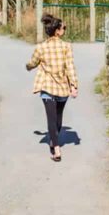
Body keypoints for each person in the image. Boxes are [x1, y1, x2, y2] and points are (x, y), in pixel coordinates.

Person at [26, 14, 79, 162]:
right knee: (58, 117)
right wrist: (74, 85)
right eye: (63, 28)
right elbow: (70, 67)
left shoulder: (41, 47)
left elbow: (33, 62)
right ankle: (56, 148)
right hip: (62, 87)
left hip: (47, 87)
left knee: (51, 118)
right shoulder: (66, 47)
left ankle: (54, 142)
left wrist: (28, 67)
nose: (65, 30)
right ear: (57, 31)